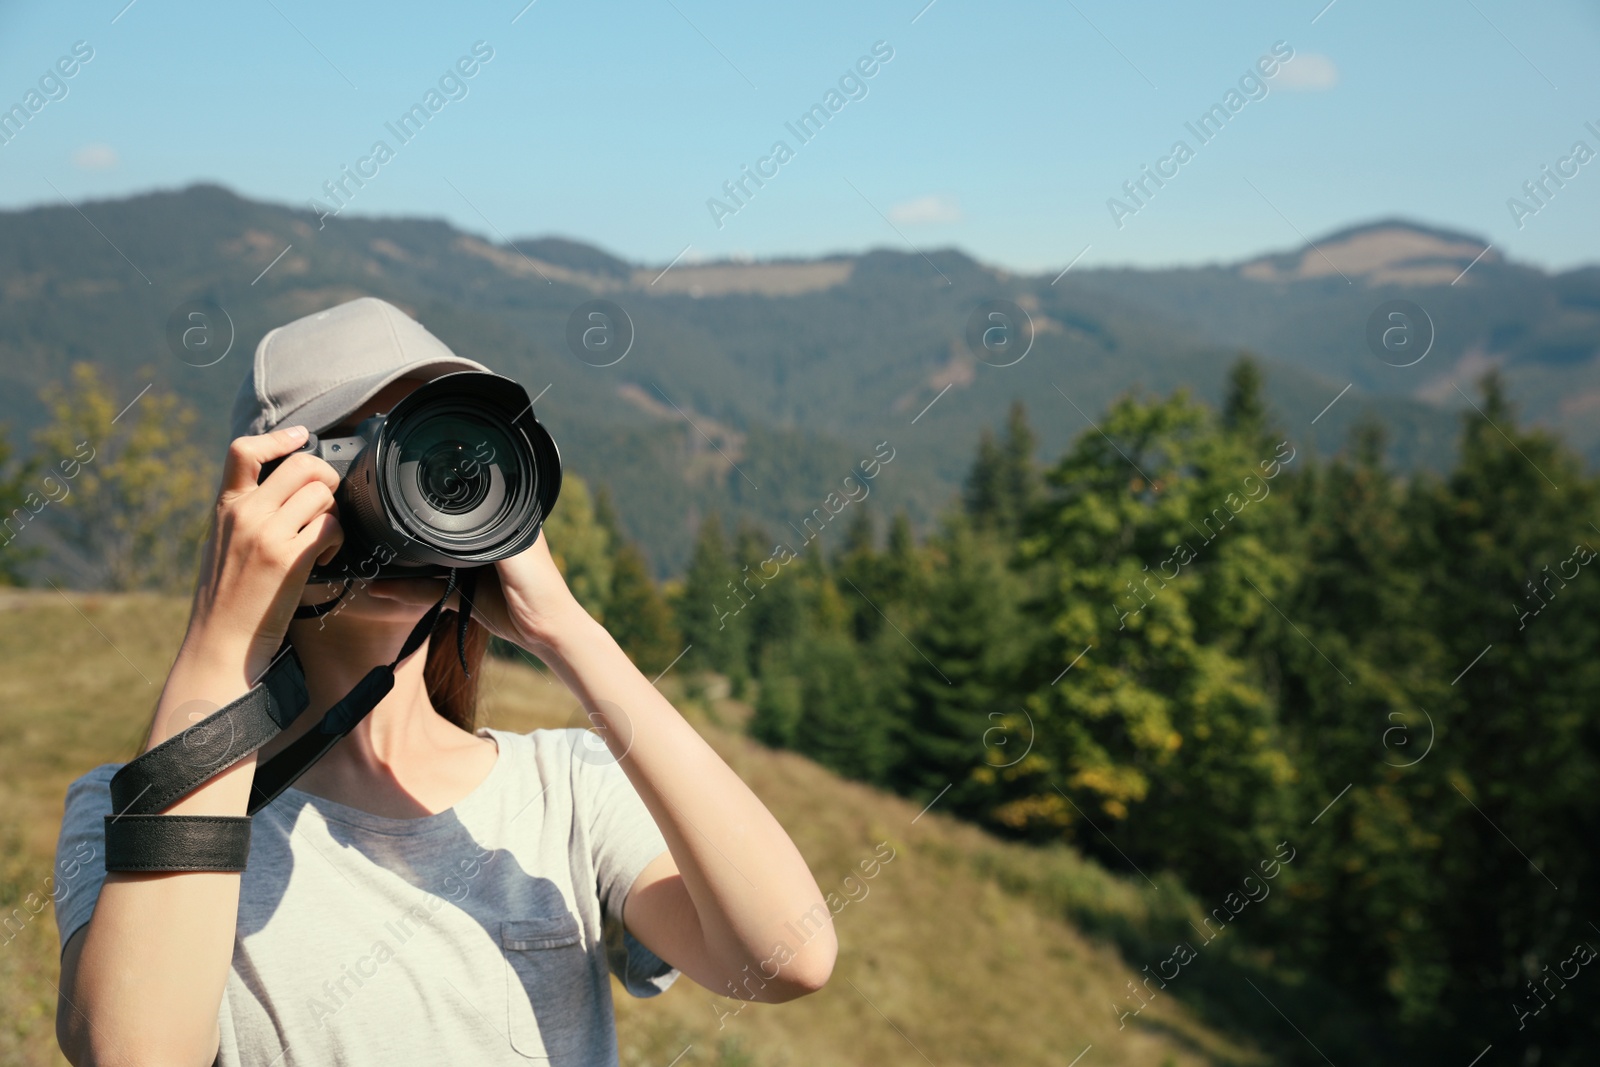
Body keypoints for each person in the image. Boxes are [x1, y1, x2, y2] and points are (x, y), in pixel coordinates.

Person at [52, 297, 836, 1066]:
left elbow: (786, 957)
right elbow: (136, 1053)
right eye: (357, 457)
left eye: (438, 461)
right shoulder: (132, 809)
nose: (402, 493)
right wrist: (224, 641)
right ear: (260, 497)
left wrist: (565, 630)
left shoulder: (566, 789)